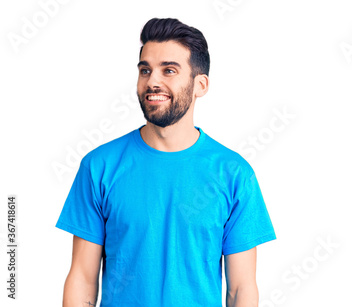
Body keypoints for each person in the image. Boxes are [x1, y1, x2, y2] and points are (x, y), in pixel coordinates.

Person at [55, 17, 276, 306]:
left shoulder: (234, 174)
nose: (152, 81)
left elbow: (241, 289)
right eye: (145, 70)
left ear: (200, 85)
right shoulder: (99, 167)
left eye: (168, 70)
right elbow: (83, 280)